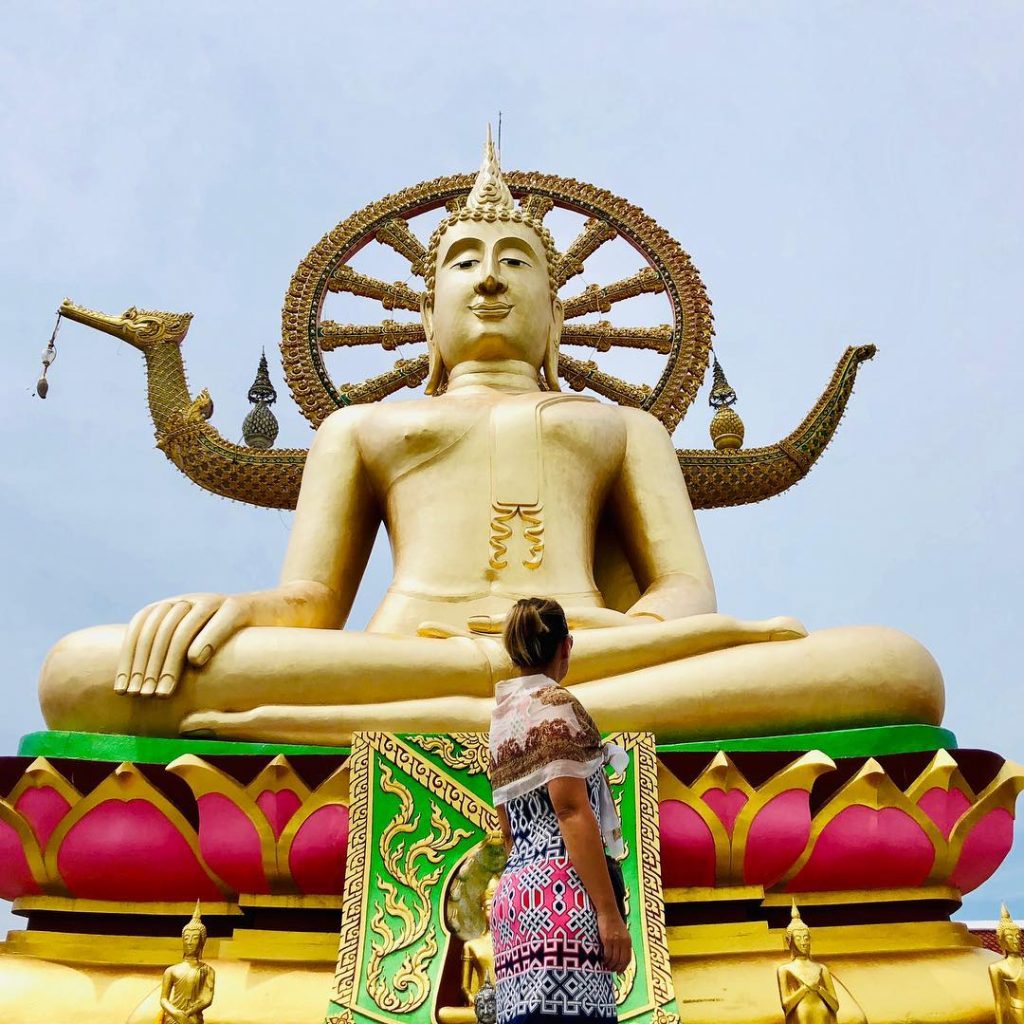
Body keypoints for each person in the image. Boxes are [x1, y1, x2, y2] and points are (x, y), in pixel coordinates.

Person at [38, 131, 943, 746]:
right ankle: (516, 718)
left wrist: (602, 639)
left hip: (584, 655)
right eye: (464, 264)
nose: (490, 280)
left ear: (557, 314)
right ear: (425, 320)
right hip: (406, 657)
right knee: (81, 671)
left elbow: (684, 595)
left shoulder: (621, 427)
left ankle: (483, 715)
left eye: (517, 263)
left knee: (897, 669)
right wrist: (231, 611)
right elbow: (310, 603)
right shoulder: (362, 428)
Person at [488, 597, 631, 1024]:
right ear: (565, 646)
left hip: (515, 901)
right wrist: (608, 912)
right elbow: (570, 810)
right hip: (562, 897)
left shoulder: (500, 721)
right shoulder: (557, 708)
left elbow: (508, 831)